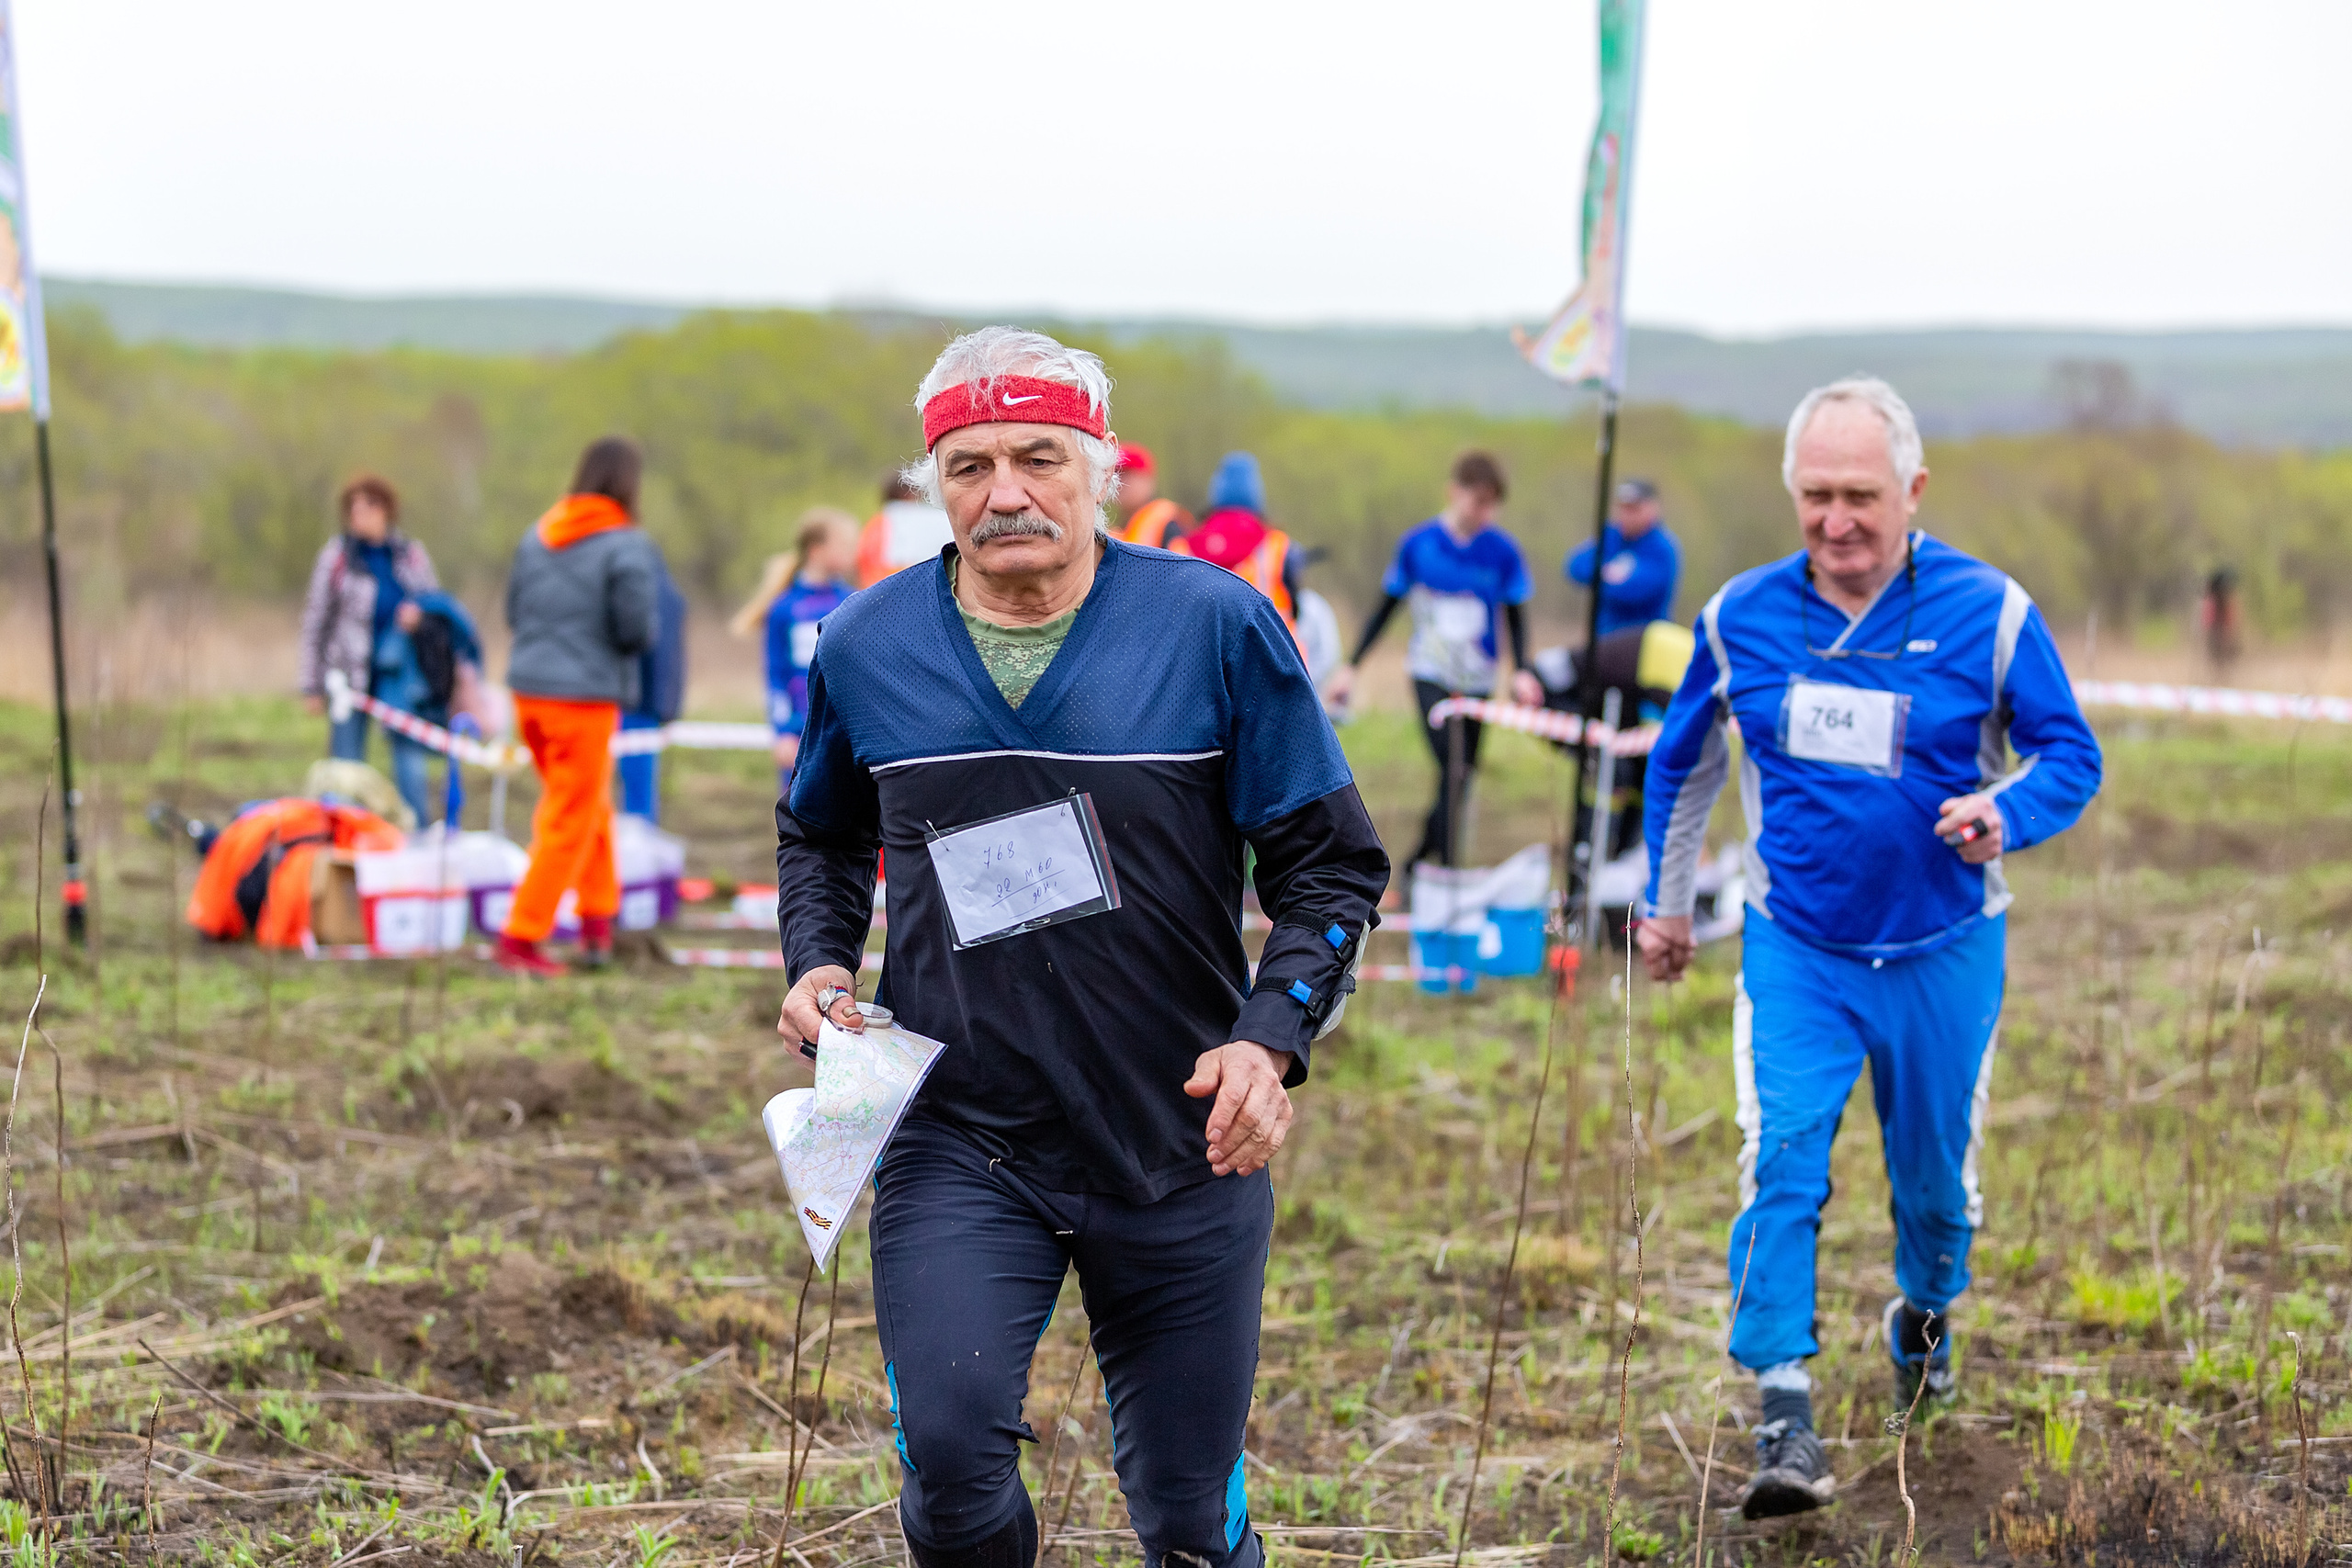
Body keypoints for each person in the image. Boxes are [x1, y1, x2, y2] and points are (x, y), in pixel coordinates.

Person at [775, 326, 1387, 1568]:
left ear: (1099, 465)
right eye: (968, 465)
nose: (1005, 492)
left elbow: (1330, 864)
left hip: (1179, 1136)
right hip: (963, 1128)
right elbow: (821, 833)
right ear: (931, 485)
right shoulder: (866, 645)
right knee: (950, 1469)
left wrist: (1272, 1042)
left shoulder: (1214, 626)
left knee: (1184, 1516)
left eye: (1039, 457)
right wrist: (821, 956)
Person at [1636, 378, 2102, 1519]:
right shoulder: (1737, 616)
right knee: (1782, 1151)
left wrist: (2007, 812)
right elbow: (1680, 762)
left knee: (1935, 1192)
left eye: (1859, 496)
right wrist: (1663, 904)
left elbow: (2068, 753)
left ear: (1913, 491)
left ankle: (1923, 1321)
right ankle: (1783, 1412)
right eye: (1814, 496)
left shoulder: (1989, 610)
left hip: (1944, 949)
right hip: (1798, 947)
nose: (1836, 521)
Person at [1327, 452, 1542, 868]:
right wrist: (1351, 667)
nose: (1485, 513)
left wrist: (1523, 672)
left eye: (1493, 504)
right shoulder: (1418, 544)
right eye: (1478, 501)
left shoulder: (1503, 551)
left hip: (1479, 678)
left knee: (1461, 777)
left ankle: (1417, 864)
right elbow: (1385, 608)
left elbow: (1516, 616)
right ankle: (1443, 867)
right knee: (1454, 768)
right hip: (1430, 673)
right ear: (1454, 492)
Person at [497, 436, 662, 977]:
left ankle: (597, 925)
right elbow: (636, 630)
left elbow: (513, 611)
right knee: (570, 816)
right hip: (584, 701)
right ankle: (522, 935)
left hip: (528, 695)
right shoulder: (626, 544)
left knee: (587, 806)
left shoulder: (537, 534)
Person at [297, 473, 440, 824]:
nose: (359, 515)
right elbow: (315, 621)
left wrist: (418, 618)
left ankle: (415, 833)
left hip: (399, 677)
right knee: (347, 766)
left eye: (368, 506)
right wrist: (311, 685)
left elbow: (436, 607)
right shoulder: (337, 558)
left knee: (409, 760)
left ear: (386, 509)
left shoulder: (410, 556)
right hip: (348, 677)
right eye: (353, 508)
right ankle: (348, 837)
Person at [730, 506, 860, 796]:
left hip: (845, 734)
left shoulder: (854, 603)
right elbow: (776, 676)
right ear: (816, 550)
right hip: (799, 735)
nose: (854, 552)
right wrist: (782, 734)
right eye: (845, 545)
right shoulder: (784, 609)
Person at [1170, 452, 1305, 637]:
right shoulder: (1277, 545)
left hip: (1200, 655)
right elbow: (1296, 608)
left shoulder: (1183, 545)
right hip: (1265, 654)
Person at [616, 554, 688, 821]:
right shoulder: (665, 590)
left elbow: (660, 655)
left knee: (635, 793)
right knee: (638, 791)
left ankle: (637, 853)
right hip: (643, 703)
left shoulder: (646, 589)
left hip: (632, 704)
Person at [1566, 477, 1681, 637]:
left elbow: (1634, 591)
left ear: (1652, 509)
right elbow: (1575, 566)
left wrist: (1598, 578)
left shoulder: (1662, 547)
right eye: (1624, 508)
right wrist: (1607, 574)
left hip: (1644, 640)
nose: (1627, 515)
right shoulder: (1611, 535)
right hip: (1602, 637)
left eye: (1635, 509)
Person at [854, 472, 956, 588]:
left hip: (873, 591)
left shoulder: (873, 526)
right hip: (903, 590)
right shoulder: (913, 521)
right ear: (907, 494)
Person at [1114, 444, 1192, 547]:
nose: (1120, 483)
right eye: (1116, 475)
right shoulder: (1117, 528)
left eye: (1127, 475)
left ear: (1147, 479)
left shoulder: (1167, 522)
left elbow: (1182, 561)